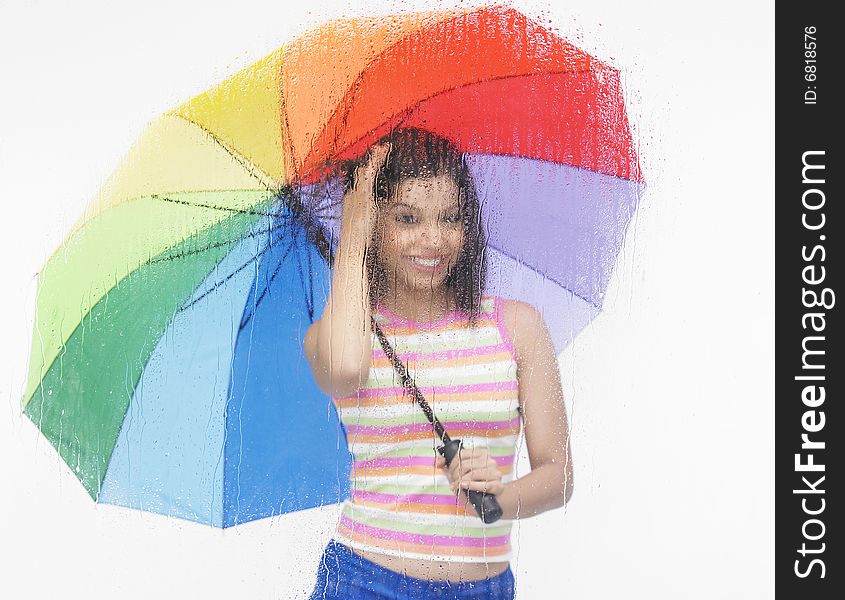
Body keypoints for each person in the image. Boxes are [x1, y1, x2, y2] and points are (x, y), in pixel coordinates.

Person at [303, 127, 573, 599]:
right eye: (407, 219)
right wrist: (352, 229)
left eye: (451, 219)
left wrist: (501, 500)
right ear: (375, 225)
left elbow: (560, 474)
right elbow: (343, 371)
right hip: (363, 582)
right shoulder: (342, 334)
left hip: (482, 588)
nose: (433, 239)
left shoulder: (518, 327)